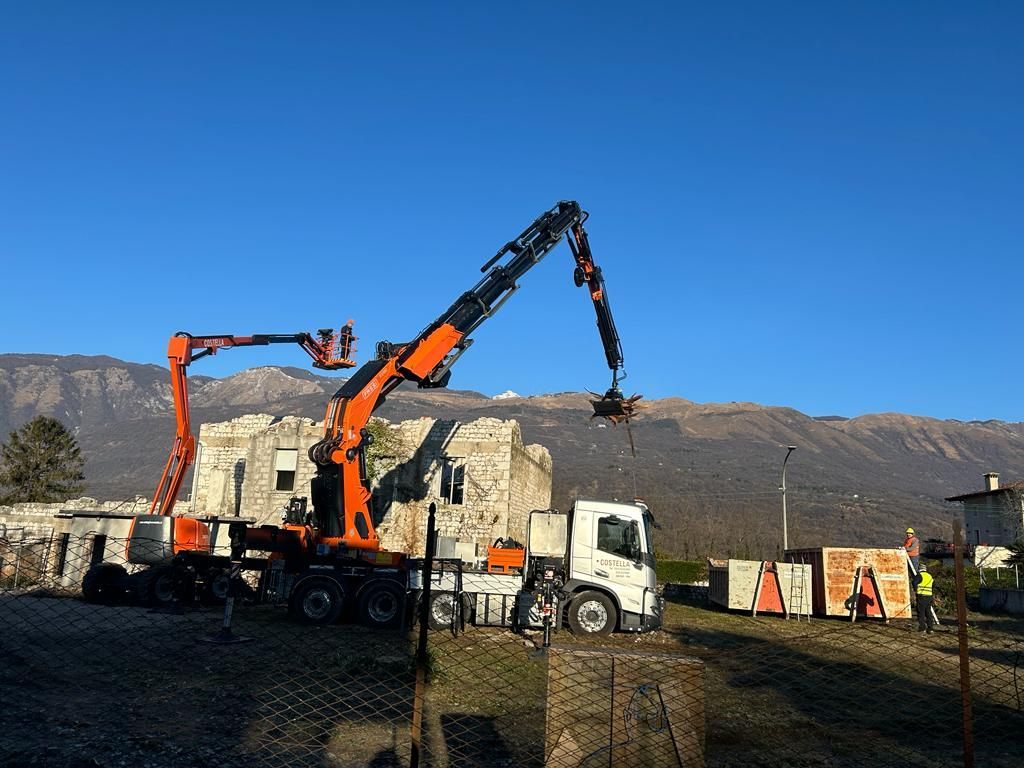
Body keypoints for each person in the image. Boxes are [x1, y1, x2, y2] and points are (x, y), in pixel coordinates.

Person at [914, 564, 935, 633]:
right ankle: (930, 628)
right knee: (928, 612)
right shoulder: (930, 576)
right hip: (929, 596)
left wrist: (916, 590)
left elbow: (914, 583)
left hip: (922, 596)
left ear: (919, 569)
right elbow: (934, 585)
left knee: (921, 612)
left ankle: (922, 627)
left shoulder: (919, 575)